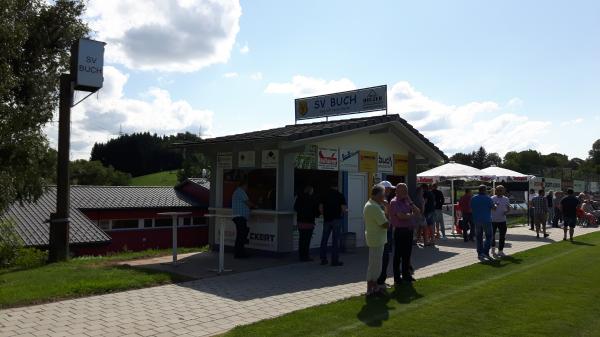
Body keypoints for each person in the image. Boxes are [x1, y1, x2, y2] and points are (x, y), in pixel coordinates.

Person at [390, 183, 420, 284]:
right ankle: (397, 278)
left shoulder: (407, 201)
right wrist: (411, 215)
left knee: (407, 254)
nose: (405, 193)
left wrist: (410, 202)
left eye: (406, 191)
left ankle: (406, 275)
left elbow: (418, 212)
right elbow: (401, 216)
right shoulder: (394, 202)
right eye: (403, 191)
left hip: (408, 230)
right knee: (398, 255)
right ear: (397, 191)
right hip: (400, 231)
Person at [363, 184, 390, 296]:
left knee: (374, 264)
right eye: (382, 195)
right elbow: (385, 224)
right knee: (376, 265)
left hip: (375, 238)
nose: (383, 197)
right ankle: (372, 289)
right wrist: (388, 213)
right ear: (377, 195)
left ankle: (373, 288)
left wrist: (384, 208)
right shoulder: (373, 207)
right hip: (376, 239)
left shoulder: (372, 204)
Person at [319, 183, 347, 266]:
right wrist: (342, 213)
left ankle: (323, 259)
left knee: (324, 239)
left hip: (327, 220)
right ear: (337, 187)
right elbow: (343, 208)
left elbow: (320, 208)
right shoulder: (340, 195)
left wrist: (325, 214)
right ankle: (334, 261)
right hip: (336, 219)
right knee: (335, 240)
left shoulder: (324, 195)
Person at [377, 181, 395, 288]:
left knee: (385, 256)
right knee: (384, 256)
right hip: (384, 230)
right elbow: (386, 216)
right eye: (388, 189)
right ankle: (380, 281)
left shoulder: (384, 200)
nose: (390, 190)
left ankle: (381, 280)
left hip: (387, 230)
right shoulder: (381, 201)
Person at [294, 185, 320, 262]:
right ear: (311, 191)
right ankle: (306, 256)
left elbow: (295, 208)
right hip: (309, 222)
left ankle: (301, 256)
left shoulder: (299, 198)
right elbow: (316, 212)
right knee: (307, 240)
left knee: (301, 239)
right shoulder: (313, 199)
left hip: (301, 221)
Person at [232, 179, 256, 258]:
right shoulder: (241, 192)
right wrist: (255, 206)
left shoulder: (237, 191)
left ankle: (239, 253)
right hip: (240, 217)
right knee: (241, 236)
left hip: (239, 217)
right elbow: (248, 202)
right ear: (244, 185)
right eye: (247, 186)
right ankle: (240, 254)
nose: (247, 188)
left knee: (241, 235)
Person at [471, 185, 496, 260]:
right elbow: (494, 208)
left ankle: (480, 253)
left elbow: (471, 207)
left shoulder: (473, 198)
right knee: (489, 236)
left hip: (477, 220)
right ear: (484, 190)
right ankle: (485, 252)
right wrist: (495, 205)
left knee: (479, 237)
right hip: (486, 220)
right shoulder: (488, 198)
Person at [491, 185, 511, 256]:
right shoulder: (492, 198)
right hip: (493, 220)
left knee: (502, 236)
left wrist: (507, 211)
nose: (500, 191)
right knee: (492, 236)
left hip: (502, 220)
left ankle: (500, 250)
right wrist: (495, 206)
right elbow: (490, 208)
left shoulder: (506, 199)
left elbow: (508, 208)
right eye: (499, 190)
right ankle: (493, 249)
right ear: (496, 190)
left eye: (502, 190)